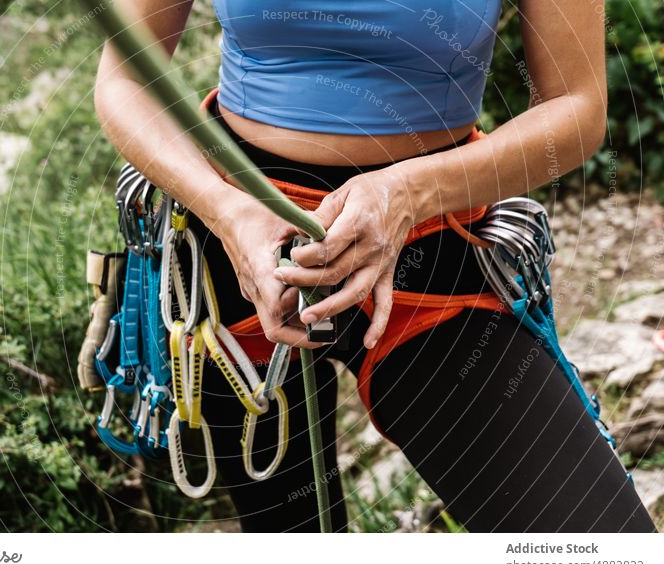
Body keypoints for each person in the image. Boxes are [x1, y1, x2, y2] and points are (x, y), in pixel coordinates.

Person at [94, 0, 656, 532]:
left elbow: (577, 108)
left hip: (433, 252)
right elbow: (125, 78)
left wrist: (406, 193)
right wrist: (229, 213)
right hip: (236, 261)